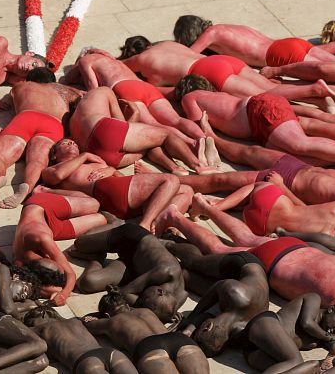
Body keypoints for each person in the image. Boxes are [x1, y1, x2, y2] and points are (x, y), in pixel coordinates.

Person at [156, 195, 335, 337]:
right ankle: (176, 218)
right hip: (274, 264)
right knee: (220, 250)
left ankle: (205, 206)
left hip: (295, 246)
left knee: (247, 238)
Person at [175, 76, 335, 177]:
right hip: (259, 120)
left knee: (300, 144)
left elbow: (196, 128)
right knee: (294, 161)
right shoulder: (213, 96)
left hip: (260, 112)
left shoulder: (190, 97)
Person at [177, 132, 335, 225]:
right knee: (249, 152)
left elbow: (308, 212)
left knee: (220, 181)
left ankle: (165, 181)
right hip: (299, 166)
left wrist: (280, 187)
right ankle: (213, 138)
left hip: (284, 182)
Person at [118, 36, 335, 107]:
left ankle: (315, 88)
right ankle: (316, 98)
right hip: (220, 61)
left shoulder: (142, 59)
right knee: (271, 87)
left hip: (205, 71)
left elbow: (120, 67)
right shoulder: (167, 44)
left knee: (262, 96)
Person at [63, 48, 211, 146]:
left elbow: (95, 89)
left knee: (155, 124)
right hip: (144, 86)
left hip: (124, 87)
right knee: (175, 120)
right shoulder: (114, 60)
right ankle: (203, 139)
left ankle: (192, 144)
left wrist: (77, 67)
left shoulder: (87, 60)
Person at [42, 138, 193, 231]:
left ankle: (158, 224)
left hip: (122, 195)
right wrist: (85, 155)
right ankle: (146, 224)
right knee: (171, 180)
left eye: (74, 142)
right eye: (65, 143)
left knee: (186, 191)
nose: (72, 143)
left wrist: (111, 169)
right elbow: (58, 176)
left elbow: (122, 178)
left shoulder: (91, 162)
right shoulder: (52, 169)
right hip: (106, 190)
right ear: (55, 155)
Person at [0, 67, 84, 208]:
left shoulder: (20, 87)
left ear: (30, 79)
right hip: (53, 124)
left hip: (27, 118)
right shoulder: (66, 91)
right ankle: (27, 187)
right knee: (37, 161)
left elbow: (14, 94)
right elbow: (81, 101)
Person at [68, 86, 211, 175]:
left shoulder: (72, 121)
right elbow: (121, 124)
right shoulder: (100, 91)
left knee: (147, 144)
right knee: (165, 135)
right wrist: (135, 112)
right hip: (103, 130)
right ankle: (199, 166)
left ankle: (175, 168)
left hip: (102, 155)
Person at [193, 176, 335, 240]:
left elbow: (302, 207)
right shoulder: (327, 238)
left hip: (269, 200)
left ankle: (217, 205)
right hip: (258, 226)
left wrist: (282, 187)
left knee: (257, 186)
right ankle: (214, 207)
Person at [71, 223, 187, 323]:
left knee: (88, 282)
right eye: (142, 297)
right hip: (132, 239)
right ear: (160, 291)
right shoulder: (165, 271)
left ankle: (97, 257)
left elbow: (127, 297)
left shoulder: (177, 298)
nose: (139, 295)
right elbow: (124, 292)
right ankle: (116, 224)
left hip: (133, 267)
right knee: (79, 244)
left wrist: (169, 314)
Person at [168, 245, 269, 357]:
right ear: (208, 327)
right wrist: (192, 317)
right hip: (243, 264)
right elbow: (216, 288)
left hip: (236, 286)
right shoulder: (235, 293)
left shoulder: (237, 334)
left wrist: (189, 329)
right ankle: (168, 243)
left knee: (185, 276)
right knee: (194, 262)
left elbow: (207, 315)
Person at [12, 187, 106, 306]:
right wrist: (59, 293)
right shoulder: (20, 265)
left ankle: (44, 190)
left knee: (94, 204)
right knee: (101, 219)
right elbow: (49, 289)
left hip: (40, 207)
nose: (56, 260)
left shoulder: (41, 239)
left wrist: (64, 294)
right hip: (51, 228)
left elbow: (70, 274)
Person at [83, 286, 210, 372]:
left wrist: (97, 317)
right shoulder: (146, 310)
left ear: (107, 315)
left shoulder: (110, 322)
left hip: (148, 347)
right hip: (179, 340)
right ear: (127, 305)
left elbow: (86, 323)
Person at [237, 293, 335, 373]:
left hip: (254, 352)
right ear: (332, 309)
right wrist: (329, 337)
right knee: (296, 361)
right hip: (265, 324)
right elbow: (307, 323)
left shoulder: (320, 335)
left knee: (299, 371)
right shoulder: (314, 299)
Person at [173, 15, 335, 67]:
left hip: (276, 53)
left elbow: (188, 56)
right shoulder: (227, 27)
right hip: (289, 43)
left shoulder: (211, 33)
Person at [22, 305, 137, 374]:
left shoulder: (42, 328)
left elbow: (18, 330)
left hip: (87, 361)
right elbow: (92, 319)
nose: (32, 326)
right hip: (113, 354)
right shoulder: (76, 321)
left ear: (43, 314)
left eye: (32, 322)